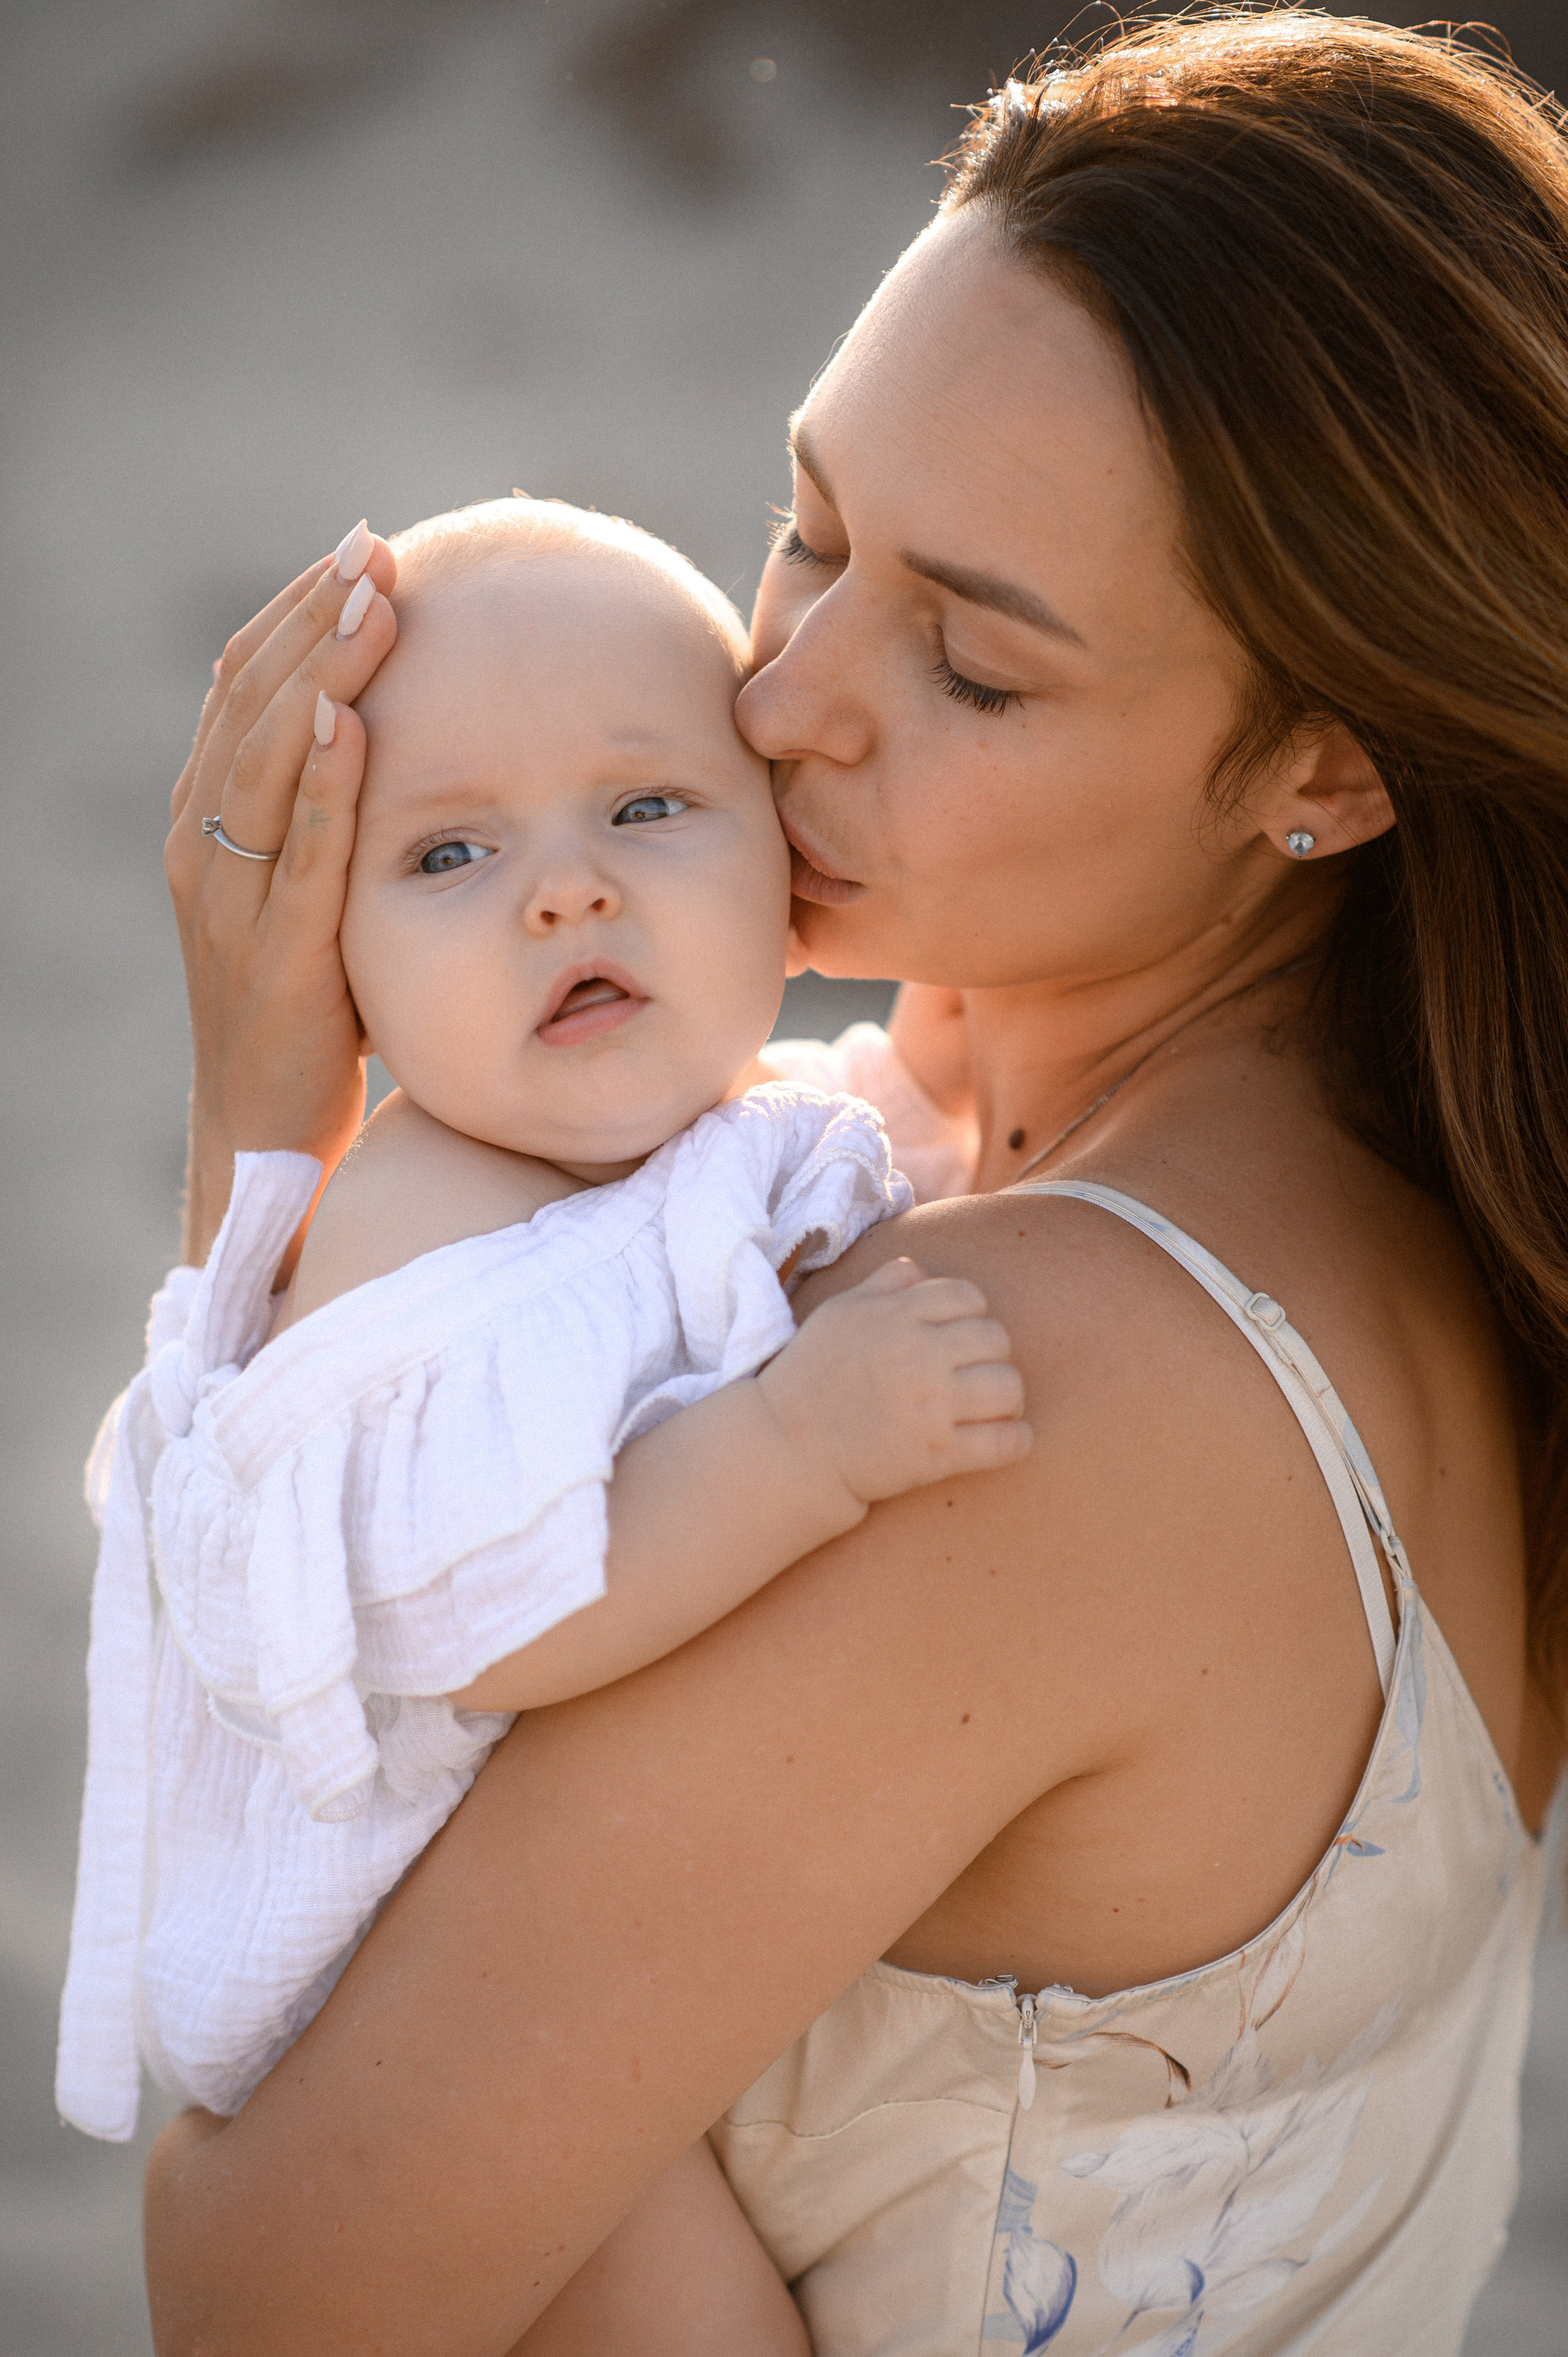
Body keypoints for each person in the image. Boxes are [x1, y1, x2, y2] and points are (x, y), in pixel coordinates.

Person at [137, 13, 1568, 2354]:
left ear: (1321, 765)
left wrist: (271, 1140)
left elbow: (270, 2277)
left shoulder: (1025, 1380)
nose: (789, 690)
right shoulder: (1344, 1197)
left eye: (970, 665)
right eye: (809, 523)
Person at [56, 497, 1032, 2348]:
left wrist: (958, 1061)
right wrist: (795, 1453)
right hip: (398, 1962)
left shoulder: (711, 1129)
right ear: (339, 968)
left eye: (647, 809)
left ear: (788, 876)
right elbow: (497, 1601)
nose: (566, 891)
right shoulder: (423, 1255)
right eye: (449, 854)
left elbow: (835, 1151)